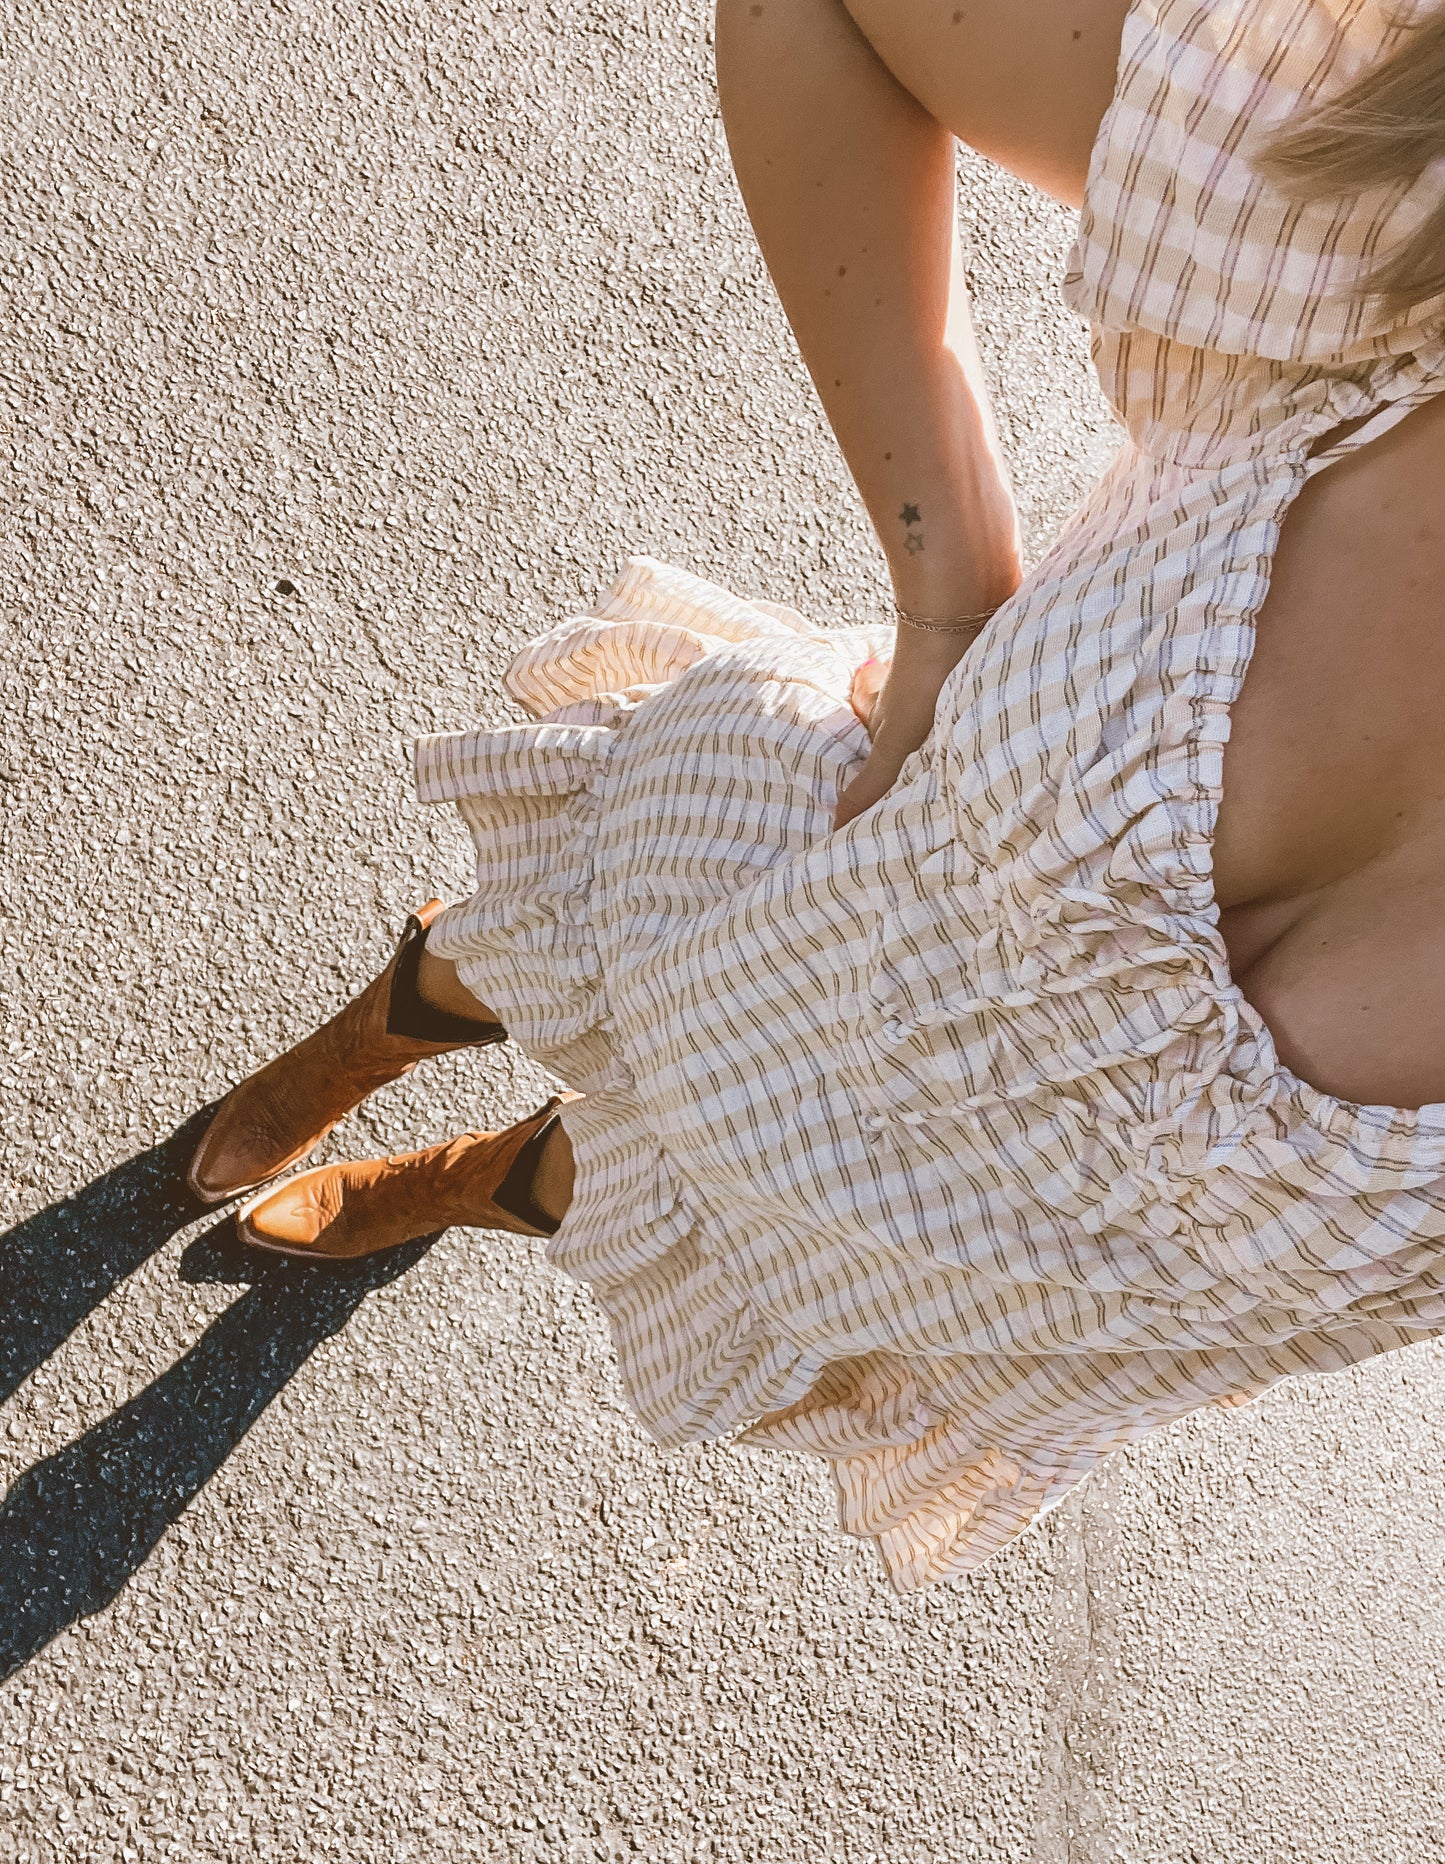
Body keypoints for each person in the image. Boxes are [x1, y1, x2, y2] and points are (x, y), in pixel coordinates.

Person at [190, 0, 1445, 1592]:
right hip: (773, 860)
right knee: (529, 941)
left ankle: (480, 1181)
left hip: (902, 1236)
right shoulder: (1407, 206)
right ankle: (399, 1014)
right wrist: (946, 604)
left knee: (633, 1194)